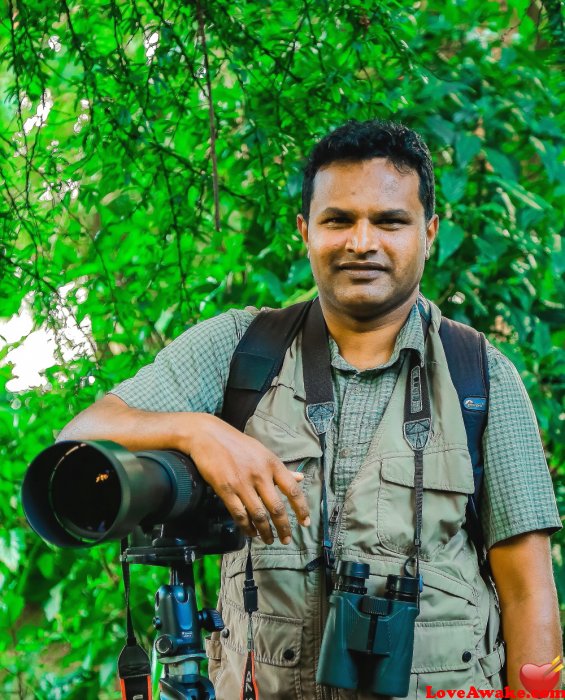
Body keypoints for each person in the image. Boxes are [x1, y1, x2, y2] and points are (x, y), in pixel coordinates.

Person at [58, 119, 562, 699]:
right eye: (338, 220)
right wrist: (198, 431)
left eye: (390, 221)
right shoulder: (239, 348)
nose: (362, 241)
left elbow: (528, 588)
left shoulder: (481, 374)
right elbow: (78, 439)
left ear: (429, 232)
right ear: (305, 230)